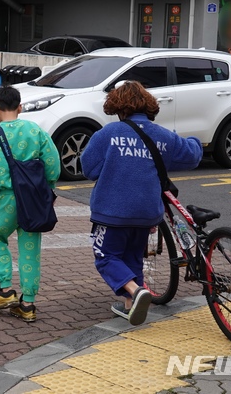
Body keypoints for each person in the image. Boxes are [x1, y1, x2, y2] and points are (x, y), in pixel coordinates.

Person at [81, 80, 202, 326]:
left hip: (113, 211)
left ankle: (136, 291)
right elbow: (191, 155)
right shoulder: (162, 135)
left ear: (117, 106)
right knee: (133, 255)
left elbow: (88, 168)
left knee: (105, 255)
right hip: (148, 213)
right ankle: (129, 305)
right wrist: (196, 141)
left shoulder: (108, 134)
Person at [0, 86, 61, 322]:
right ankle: (28, 303)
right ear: (20, 107)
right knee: (30, 249)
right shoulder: (35, 130)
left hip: (6, 199)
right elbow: (53, 162)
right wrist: (48, 184)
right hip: (33, 198)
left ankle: (5, 289)